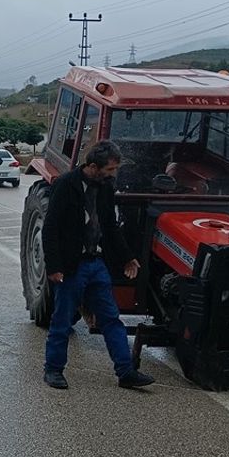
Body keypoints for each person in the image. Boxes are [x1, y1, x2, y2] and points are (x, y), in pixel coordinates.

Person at [41, 140, 155, 391]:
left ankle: (126, 371)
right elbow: (50, 229)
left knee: (111, 319)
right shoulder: (65, 185)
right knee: (61, 320)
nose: (114, 174)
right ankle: (53, 369)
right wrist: (54, 267)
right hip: (71, 267)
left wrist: (127, 257)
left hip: (96, 263)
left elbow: (110, 226)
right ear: (93, 166)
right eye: (111, 169)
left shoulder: (105, 188)